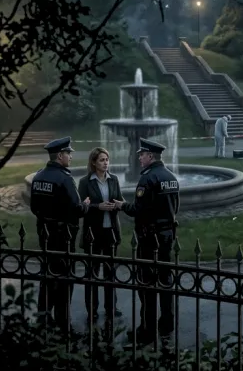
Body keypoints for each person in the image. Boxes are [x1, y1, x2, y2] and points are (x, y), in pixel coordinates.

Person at [112, 138, 181, 344]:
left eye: (142, 155)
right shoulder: (171, 177)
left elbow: (139, 210)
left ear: (150, 156)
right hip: (167, 236)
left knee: (147, 284)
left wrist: (122, 205)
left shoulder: (147, 178)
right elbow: (175, 207)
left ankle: (147, 329)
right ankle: (167, 324)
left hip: (149, 238)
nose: (139, 158)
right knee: (166, 281)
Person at [28, 136, 90, 330]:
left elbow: (34, 207)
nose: (71, 156)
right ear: (60, 155)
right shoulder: (65, 178)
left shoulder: (39, 176)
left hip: (45, 233)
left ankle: (43, 319)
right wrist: (86, 205)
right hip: (63, 236)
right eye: (68, 153)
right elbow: (76, 209)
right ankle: (63, 324)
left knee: (47, 276)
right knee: (64, 279)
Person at [77, 147, 123, 323]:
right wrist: (98, 207)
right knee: (92, 273)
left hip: (111, 231)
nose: (105, 163)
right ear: (94, 162)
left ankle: (111, 307)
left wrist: (118, 204)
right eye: (102, 160)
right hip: (93, 234)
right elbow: (81, 207)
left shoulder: (114, 179)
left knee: (110, 273)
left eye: (107, 160)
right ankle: (92, 310)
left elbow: (119, 199)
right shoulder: (85, 182)